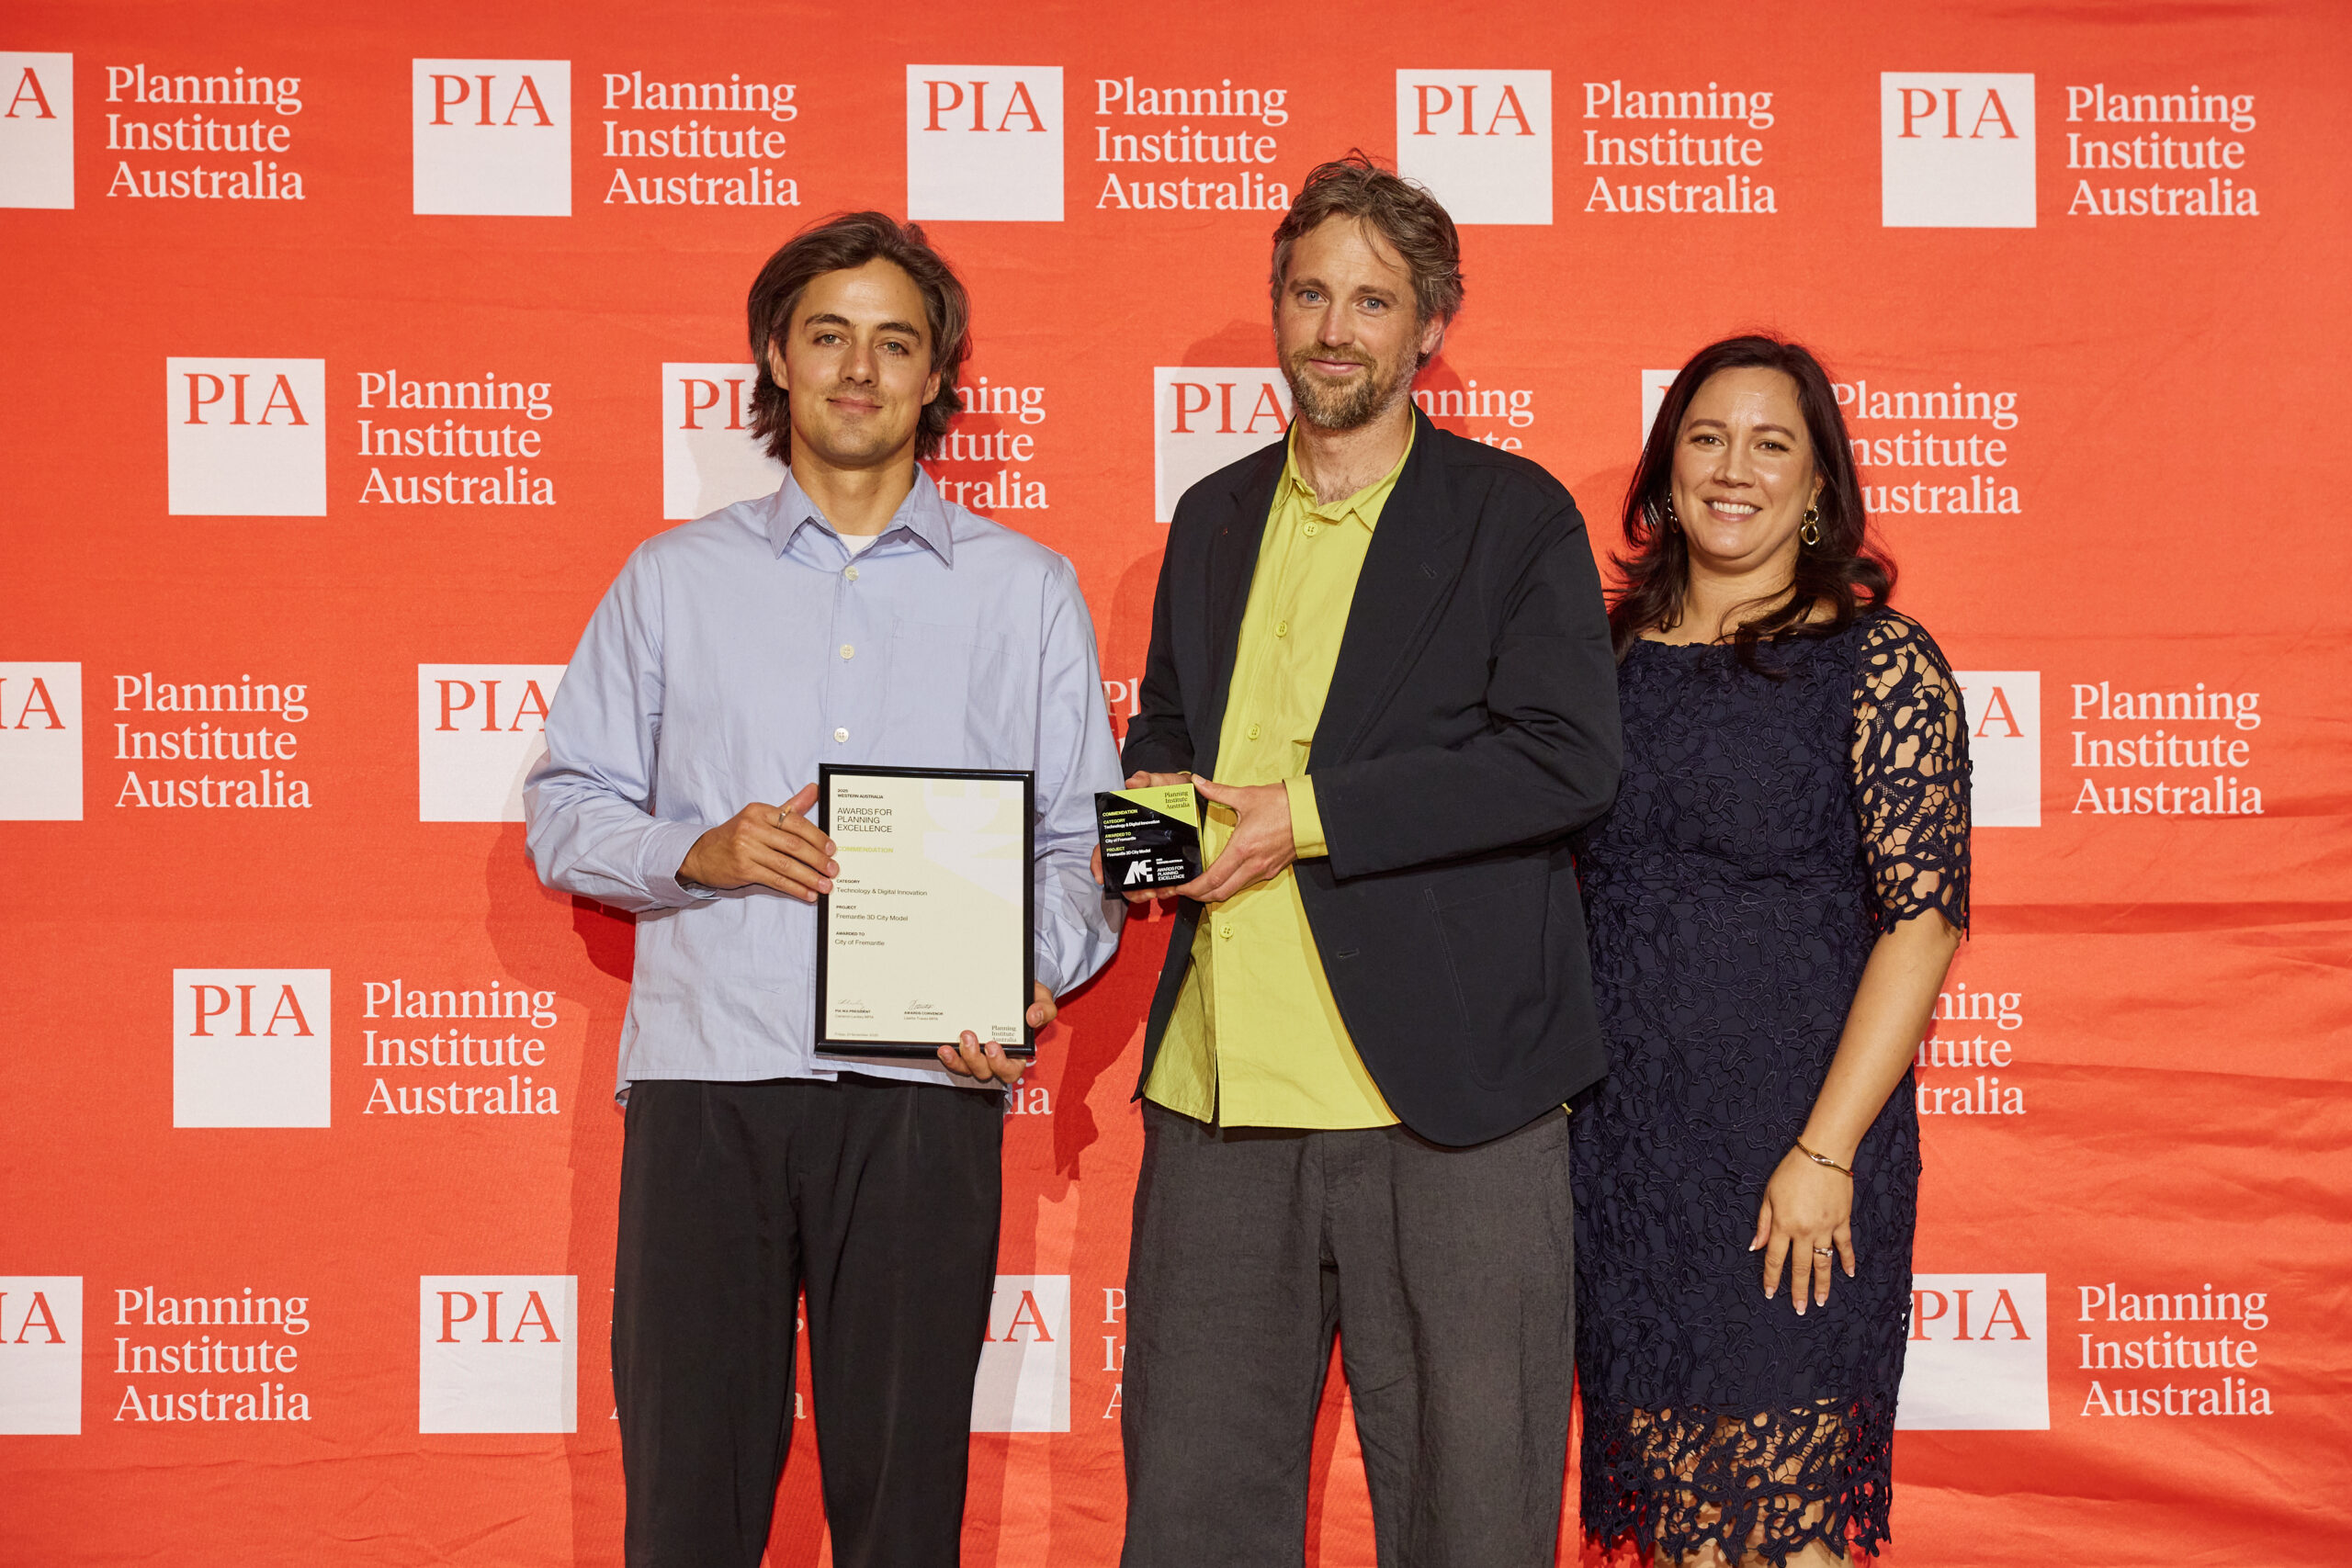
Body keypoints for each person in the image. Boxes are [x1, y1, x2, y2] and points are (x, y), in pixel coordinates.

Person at [523, 210, 1123, 1568]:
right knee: (689, 1497)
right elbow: (563, 810)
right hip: (709, 1084)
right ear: (775, 359)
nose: (860, 370)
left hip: (925, 1091)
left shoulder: (1025, 592)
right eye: (829, 336)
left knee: (904, 1510)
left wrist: (1018, 975)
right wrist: (698, 850)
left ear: (937, 376)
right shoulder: (673, 580)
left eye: (894, 342)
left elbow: (1080, 846)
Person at [1114, 152, 1623, 1565]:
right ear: (1278, 308)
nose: (1335, 328)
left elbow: (1568, 758)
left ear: (1430, 327)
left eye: (1373, 301)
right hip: (1217, 1104)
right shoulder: (1212, 515)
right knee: (1194, 1524)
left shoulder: (1513, 518)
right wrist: (1140, 858)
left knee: (1474, 1519)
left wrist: (1308, 815)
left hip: (1451, 1107)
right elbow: (1168, 735)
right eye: (1310, 293)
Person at [1568, 335, 1970, 1566]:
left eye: (1770, 444)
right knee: (1686, 1527)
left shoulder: (1877, 662)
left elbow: (1925, 920)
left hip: (1794, 1162)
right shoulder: (1597, 664)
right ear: (1666, 468)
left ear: (1819, 489)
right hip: (1627, 1164)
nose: (1733, 469)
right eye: (1706, 437)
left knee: (1782, 1534)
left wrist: (1825, 1150)